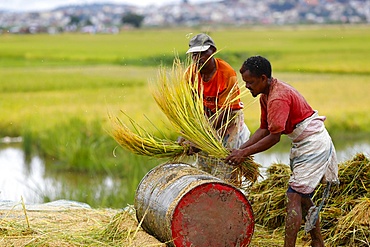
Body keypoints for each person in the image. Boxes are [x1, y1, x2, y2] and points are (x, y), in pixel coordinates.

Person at [225, 55, 339, 247]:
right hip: (302, 143)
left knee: (293, 195)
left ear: (263, 78)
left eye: (250, 82)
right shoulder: (265, 96)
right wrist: (239, 149)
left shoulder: (277, 97)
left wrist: (243, 154)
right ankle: (317, 242)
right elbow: (264, 129)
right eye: (245, 83)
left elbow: (274, 137)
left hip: (313, 143)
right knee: (302, 198)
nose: (247, 87)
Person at [180, 33, 250, 183]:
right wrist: (188, 134)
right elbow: (191, 107)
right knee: (204, 168)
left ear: (213, 50)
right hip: (207, 119)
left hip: (229, 120)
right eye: (194, 54)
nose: (198, 58)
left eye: (203, 53)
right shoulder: (190, 75)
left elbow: (226, 111)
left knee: (227, 167)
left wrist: (201, 138)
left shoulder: (226, 73)